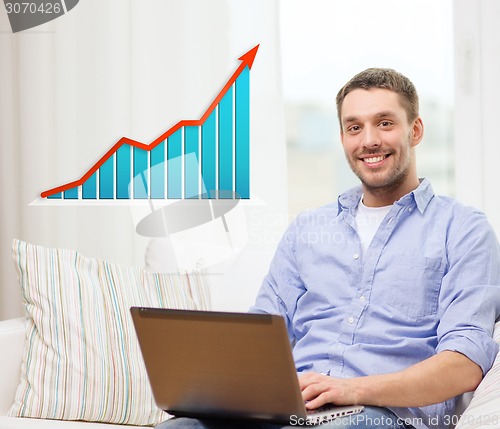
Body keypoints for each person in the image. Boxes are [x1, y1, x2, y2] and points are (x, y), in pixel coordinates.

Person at [157, 68, 500, 429]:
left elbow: (464, 364)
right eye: (354, 127)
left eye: (385, 123)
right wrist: (210, 392)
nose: (368, 140)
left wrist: (354, 390)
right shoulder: (308, 229)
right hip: (289, 412)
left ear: (415, 130)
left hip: (383, 417)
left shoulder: (463, 229)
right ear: (342, 138)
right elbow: (260, 335)